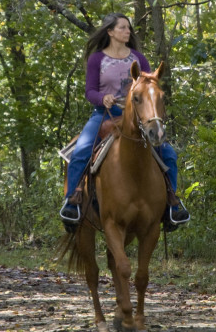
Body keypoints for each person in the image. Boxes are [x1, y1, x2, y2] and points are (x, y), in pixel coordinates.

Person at [60, 13, 190, 230]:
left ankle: (172, 203)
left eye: (128, 28)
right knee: (81, 150)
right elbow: (89, 91)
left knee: (168, 154)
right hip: (104, 114)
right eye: (122, 28)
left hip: (138, 119)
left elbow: (150, 86)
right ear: (110, 32)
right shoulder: (97, 59)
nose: (127, 31)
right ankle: (72, 201)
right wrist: (103, 98)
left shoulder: (138, 58)